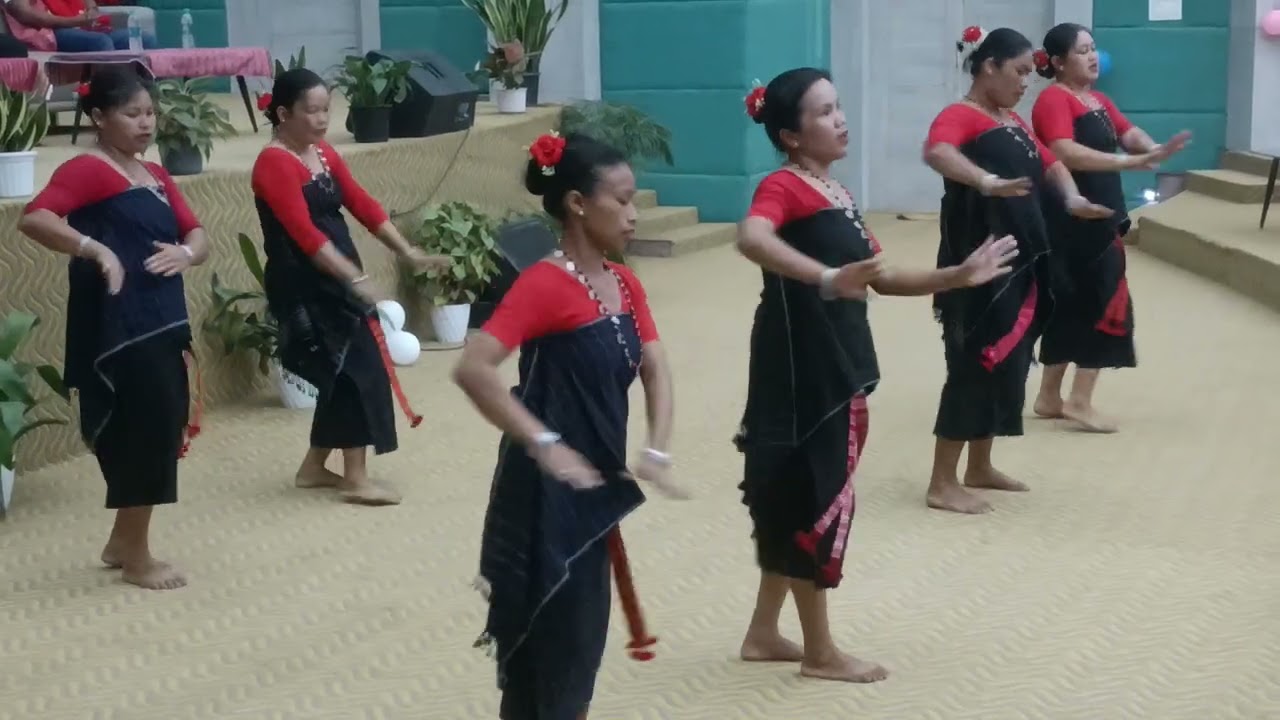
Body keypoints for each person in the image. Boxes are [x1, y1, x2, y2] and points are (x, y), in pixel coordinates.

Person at [733, 68, 1018, 684]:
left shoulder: (833, 190)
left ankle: (763, 633)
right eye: (824, 112)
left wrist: (956, 276)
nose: (840, 119)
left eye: (839, 107)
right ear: (789, 134)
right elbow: (751, 237)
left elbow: (879, 276)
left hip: (834, 357)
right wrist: (823, 278)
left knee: (796, 497)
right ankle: (819, 652)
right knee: (814, 498)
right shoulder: (782, 186)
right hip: (800, 368)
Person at [453, 131, 683, 719]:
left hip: (592, 492)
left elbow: (654, 366)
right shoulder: (544, 285)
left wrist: (656, 450)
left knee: (574, 650)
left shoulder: (625, 283)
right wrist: (545, 443)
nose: (633, 215)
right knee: (554, 649)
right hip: (543, 497)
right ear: (578, 203)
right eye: (622, 201)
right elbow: (474, 367)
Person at [18, 67, 208, 590]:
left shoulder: (156, 175)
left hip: (162, 323)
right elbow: (35, 218)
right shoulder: (89, 169)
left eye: (149, 113)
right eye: (132, 114)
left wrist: (188, 252)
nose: (146, 123)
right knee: (142, 434)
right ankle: (137, 556)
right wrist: (94, 248)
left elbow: (196, 230)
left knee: (159, 429)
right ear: (100, 118)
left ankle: (123, 540)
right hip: (121, 330)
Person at [921, 26, 1115, 515]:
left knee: (1009, 362)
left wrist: (1071, 198)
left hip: (1019, 258)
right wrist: (985, 181)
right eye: (1020, 71)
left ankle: (979, 465)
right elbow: (937, 152)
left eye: (1031, 73)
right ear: (989, 66)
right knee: (973, 363)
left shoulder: (1010, 119)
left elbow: (1049, 162)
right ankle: (942, 481)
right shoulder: (960, 115)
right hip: (978, 262)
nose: (1027, 82)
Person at [251, 68, 445, 507]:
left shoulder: (321, 153)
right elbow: (304, 234)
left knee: (345, 370)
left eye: (326, 110)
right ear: (283, 113)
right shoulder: (273, 163)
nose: (322, 120)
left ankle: (313, 468)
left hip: (336, 277)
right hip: (302, 284)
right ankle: (355, 478)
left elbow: (361, 203)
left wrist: (407, 252)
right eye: (312, 111)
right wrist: (355, 279)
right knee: (357, 370)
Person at [1029, 22, 1190, 432]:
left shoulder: (1097, 99)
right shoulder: (1052, 99)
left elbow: (1127, 131)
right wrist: (1127, 162)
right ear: (1059, 62)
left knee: (1075, 303)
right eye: (1082, 51)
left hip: (1100, 215)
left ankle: (1050, 397)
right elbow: (1065, 151)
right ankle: (1079, 401)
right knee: (1104, 301)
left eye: (1094, 48)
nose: (1092, 56)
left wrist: (1152, 148)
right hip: (1073, 217)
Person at [3, 0, 158, 53]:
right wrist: (75, 21)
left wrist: (91, 10)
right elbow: (23, 13)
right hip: (53, 32)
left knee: (146, 40)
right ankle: (110, 101)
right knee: (100, 42)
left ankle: (155, 100)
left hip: (85, 27)